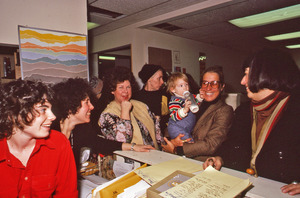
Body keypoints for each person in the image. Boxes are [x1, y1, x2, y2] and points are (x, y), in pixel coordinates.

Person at [202, 49, 300, 195]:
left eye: (248, 74)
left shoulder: (295, 111)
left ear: (269, 75)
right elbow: (232, 144)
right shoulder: (243, 111)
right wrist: (219, 158)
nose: (242, 81)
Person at [50, 78, 154, 173]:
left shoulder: (81, 130)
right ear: (70, 106)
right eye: (87, 102)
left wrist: (133, 147)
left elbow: (100, 143)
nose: (92, 107)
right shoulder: (51, 135)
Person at [0, 79, 78, 197]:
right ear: (12, 115)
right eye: (43, 109)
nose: (53, 116)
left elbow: (67, 194)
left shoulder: (59, 144)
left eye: (50, 109)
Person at [163, 66, 234, 161]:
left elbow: (210, 144)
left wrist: (177, 149)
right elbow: (173, 121)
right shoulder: (193, 101)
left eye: (214, 83)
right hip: (177, 159)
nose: (208, 88)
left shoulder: (225, 110)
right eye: (205, 83)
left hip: (199, 163)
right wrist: (171, 141)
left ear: (222, 87)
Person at [99, 66, 165, 150]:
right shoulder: (107, 114)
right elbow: (121, 142)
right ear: (112, 90)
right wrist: (125, 112)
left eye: (128, 87)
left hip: (154, 156)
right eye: (121, 87)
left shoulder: (142, 106)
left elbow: (158, 134)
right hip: (132, 160)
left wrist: (165, 148)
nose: (125, 91)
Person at [133, 64, 170, 134]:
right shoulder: (136, 98)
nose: (162, 82)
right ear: (149, 79)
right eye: (159, 78)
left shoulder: (165, 96)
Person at [166, 72, 202, 141]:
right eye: (181, 85)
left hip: (188, 128)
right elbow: (174, 116)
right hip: (176, 128)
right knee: (189, 141)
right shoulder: (175, 101)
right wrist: (184, 110)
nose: (185, 87)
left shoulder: (190, 96)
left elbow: (197, 100)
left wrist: (201, 97)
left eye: (186, 84)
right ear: (172, 89)